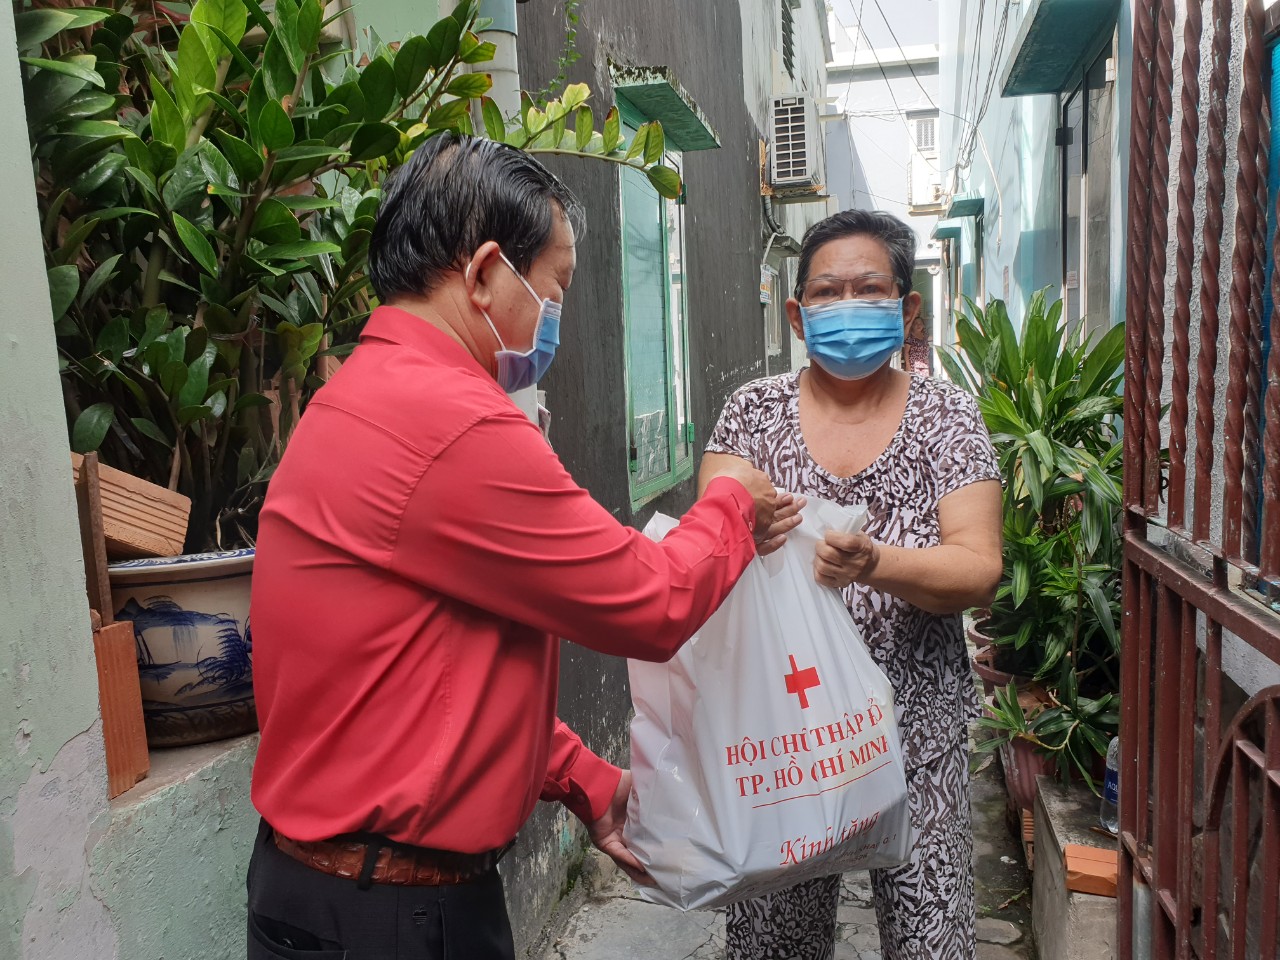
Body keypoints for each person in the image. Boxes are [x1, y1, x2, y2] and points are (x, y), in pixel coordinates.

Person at [245, 133, 791, 960]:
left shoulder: (359, 394)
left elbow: (436, 679)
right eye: (555, 287)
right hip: (392, 915)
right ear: (485, 271)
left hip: (337, 895)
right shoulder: (451, 422)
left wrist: (586, 782)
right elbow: (653, 602)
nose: (555, 314)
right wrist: (731, 507)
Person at [701, 209, 1003, 960]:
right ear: (798, 314)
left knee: (931, 940)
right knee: (775, 945)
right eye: (827, 293)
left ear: (906, 309)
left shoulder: (946, 415)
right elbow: (709, 538)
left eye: (867, 289)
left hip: (917, 735)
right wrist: (738, 528)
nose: (846, 306)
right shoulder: (754, 413)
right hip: (788, 741)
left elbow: (978, 567)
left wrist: (877, 563)